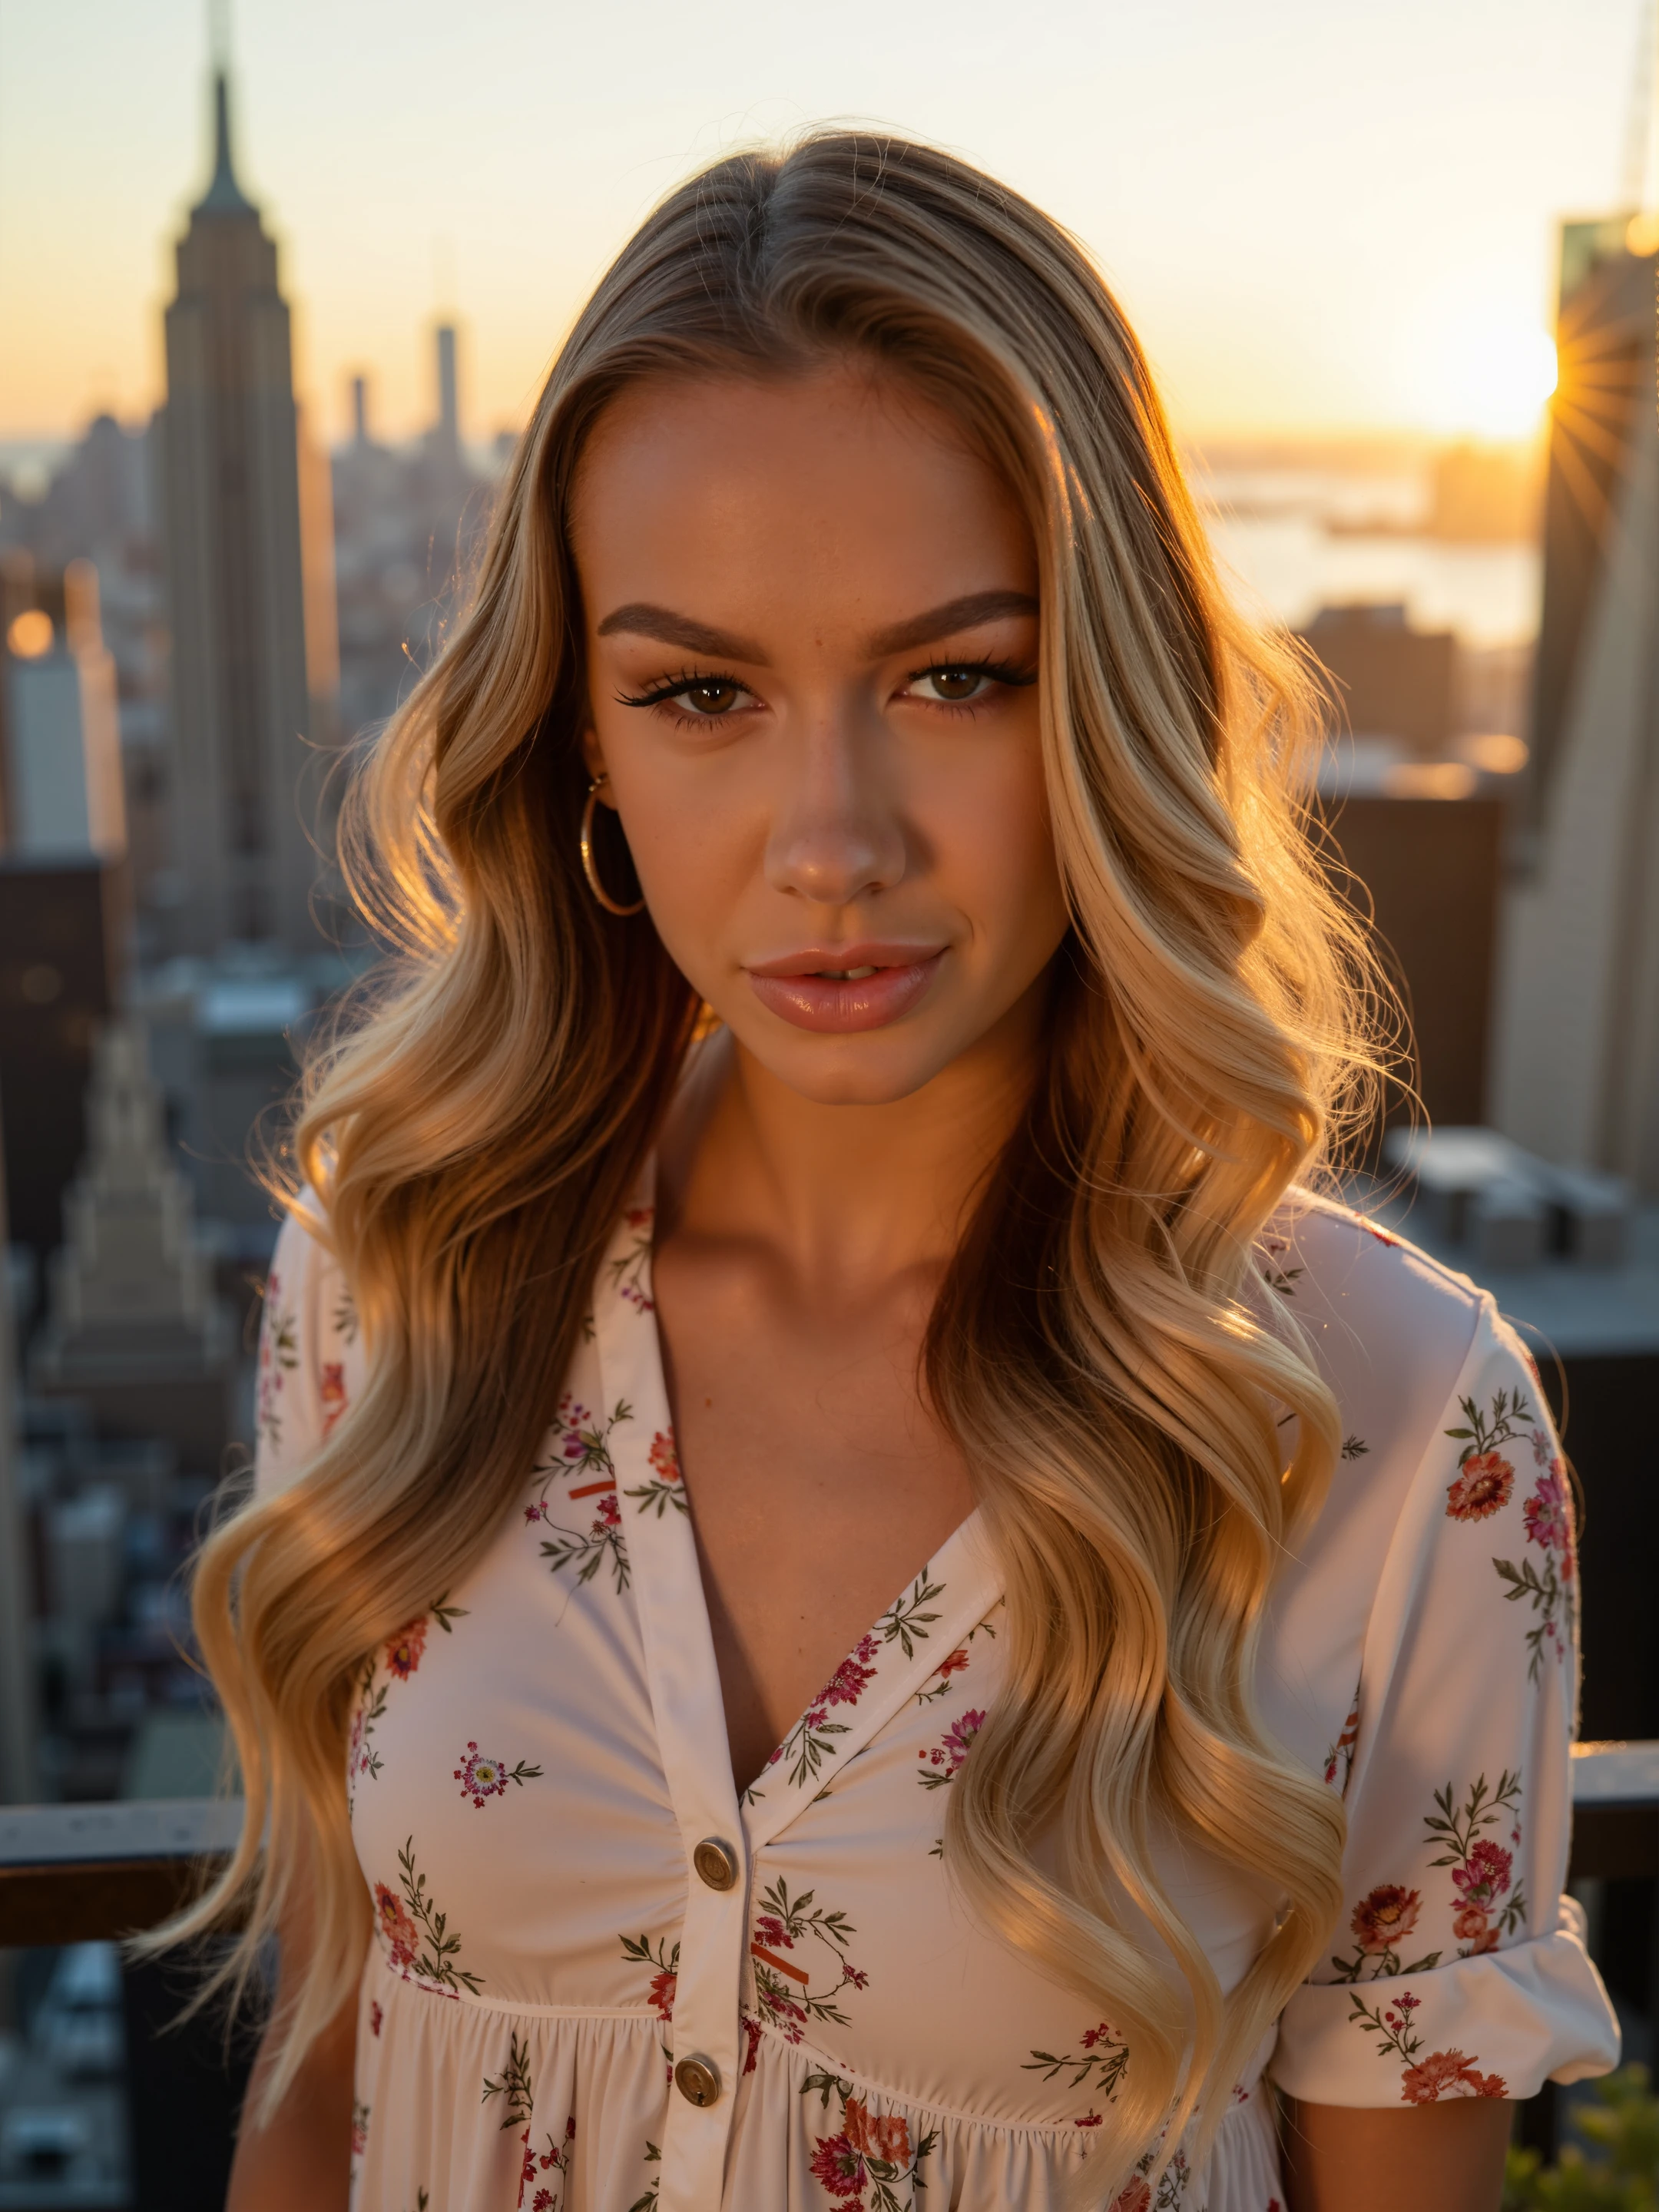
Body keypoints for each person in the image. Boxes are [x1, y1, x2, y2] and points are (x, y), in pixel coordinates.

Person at [154, 134, 1618, 2212]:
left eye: (957, 676)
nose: (832, 841)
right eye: (702, 695)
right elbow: (319, 2104)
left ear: (1109, 695)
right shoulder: (400, 1286)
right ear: (581, 738)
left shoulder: (1395, 1432)